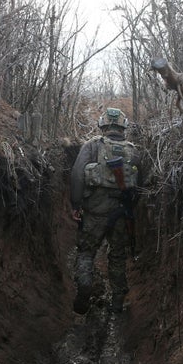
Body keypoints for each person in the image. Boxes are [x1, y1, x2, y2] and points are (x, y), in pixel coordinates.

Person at [70, 107, 142, 315]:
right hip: (120, 213)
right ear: (123, 127)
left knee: (86, 252)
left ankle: (84, 288)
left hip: (94, 212)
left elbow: (77, 175)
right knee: (117, 256)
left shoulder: (91, 146)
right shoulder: (133, 150)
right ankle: (117, 302)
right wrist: (130, 208)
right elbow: (140, 184)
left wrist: (75, 205)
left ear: (103, 125)